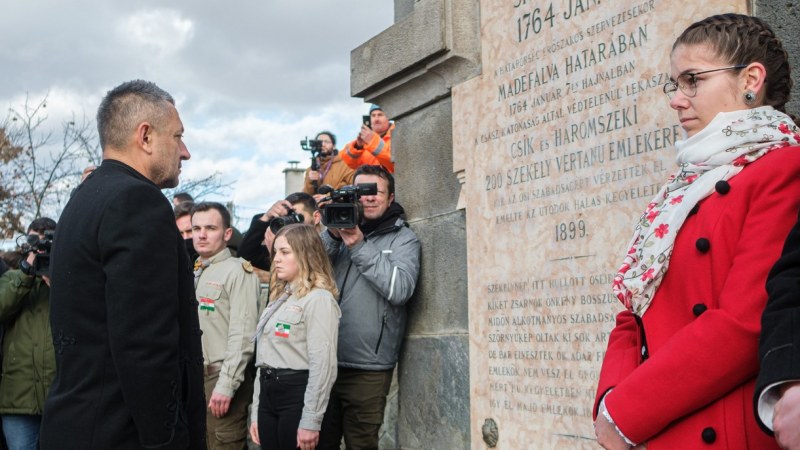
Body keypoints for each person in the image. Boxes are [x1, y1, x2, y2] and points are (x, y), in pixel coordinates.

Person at [593, 14, 800, 450]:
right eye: (675, 84)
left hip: (721, 429)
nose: (677, 100)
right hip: (658, 427)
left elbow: (744, 324)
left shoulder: (783, 168)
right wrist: (609, 403)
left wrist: (630, 411)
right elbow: (634, 310)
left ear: (751, 79)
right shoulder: (684, 188)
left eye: (692, 80)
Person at [40, 80, 206, 449]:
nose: (185, 151)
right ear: (145, 136)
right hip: (121, 433)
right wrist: (167, 440)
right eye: (177, 136)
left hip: (78, 424)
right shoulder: (137, 202)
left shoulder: (86, 197)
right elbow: (145, 343)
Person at [317, 165, 420, 449]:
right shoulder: (336, 233)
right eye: (361, 192)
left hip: (368, 369)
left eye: (376, 192)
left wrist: (359, 245)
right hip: (324, 363)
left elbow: (400, 290)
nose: (369, 198)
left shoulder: (403, 239)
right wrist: (332, 237)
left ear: (390, 198)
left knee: (361, 444)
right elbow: (307, 271)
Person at [248, 224, 341, 450]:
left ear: (306, 254)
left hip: (297, 395)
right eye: (275, 252)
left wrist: (311, 420)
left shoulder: (319, 299)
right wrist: (256, 411)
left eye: (285, 252)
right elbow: (265, 358)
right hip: (269, 394)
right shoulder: (279, 299)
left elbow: (323, 365)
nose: (276, 259)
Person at [191, 201, 259, 450]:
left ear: (227, 234)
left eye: (210, 227)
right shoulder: (197, 270)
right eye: (196, 228)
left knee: (223, 444)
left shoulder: (238, 272)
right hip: (196, 379)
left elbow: (242, 335)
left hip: (220, 378)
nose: (202, 234)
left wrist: (227, 385)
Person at [0, 218, 56, 450]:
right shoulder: (13, 278)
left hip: (59, 396)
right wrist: (25, 273)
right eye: (34, 243)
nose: (39, 250)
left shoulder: (69, 279)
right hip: (19, 398)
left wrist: (60, 283)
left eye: (45, 245)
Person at [239, 192, 322, 271]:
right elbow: (245, 255)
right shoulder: (284, 248)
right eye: (287, 217)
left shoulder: (330, 247)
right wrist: (266, 217)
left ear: (316, 217)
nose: (291, 224)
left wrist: (278, 255)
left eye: (296, 217)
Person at [340, 105, 395, 173]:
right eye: (373, 115)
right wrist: (358, 146)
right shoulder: (365, 141)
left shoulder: (397, 135)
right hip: (368, 182)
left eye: (380, 115)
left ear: (389, 117)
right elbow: (351, 163)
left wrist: (372, 140)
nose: (376, 119)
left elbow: (396, 163)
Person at [302, 131, 354, 199]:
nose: (323, 144)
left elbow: (352, 188)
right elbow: (306, 197)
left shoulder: (346, 165)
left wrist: (328, 197)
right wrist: (310, 181)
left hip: (338, 207)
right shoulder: (311, 169)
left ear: (334, 146)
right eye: (320, 142)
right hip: (316, 208)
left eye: (326, 142)